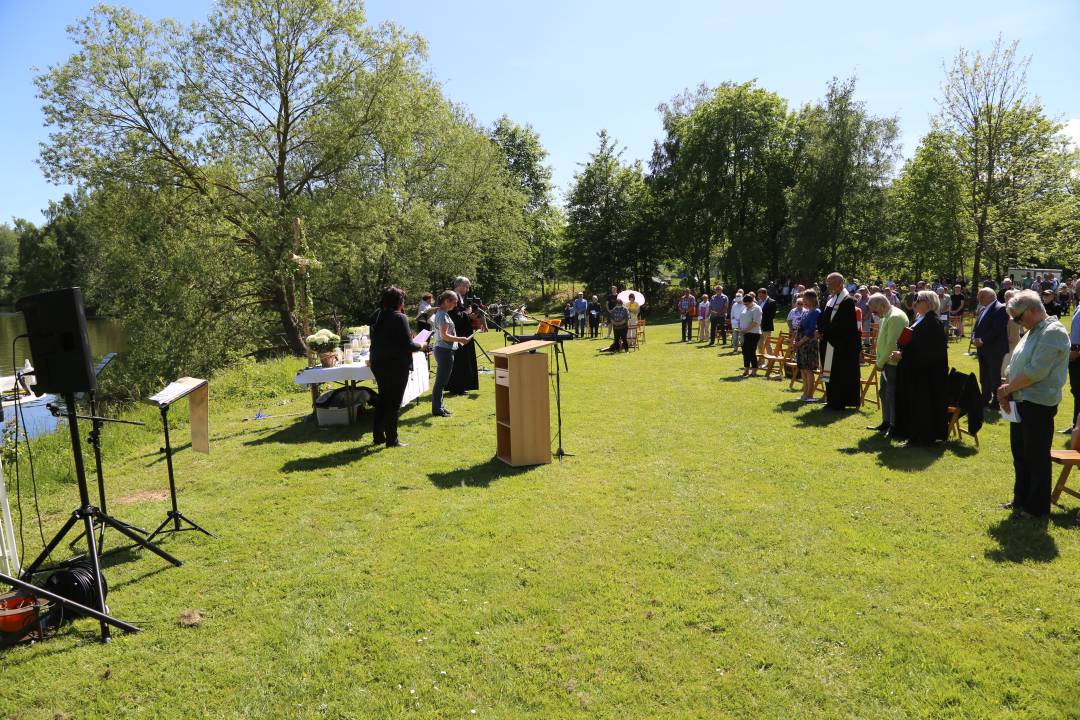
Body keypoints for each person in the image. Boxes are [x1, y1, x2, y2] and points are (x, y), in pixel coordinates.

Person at [998, 289, 1072, 518]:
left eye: (1018, 318)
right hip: (1020, 399)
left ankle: (1037, 508)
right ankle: (1021, 499)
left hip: (1038, 403)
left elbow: (1036, 372)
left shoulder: (1053, 332)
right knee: (1020, 453)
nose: (1016, 322)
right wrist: (1006, 384)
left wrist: (1008, 389)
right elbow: (1017, 362)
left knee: (1036, 456)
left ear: (1031, 311)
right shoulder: (1032, 331)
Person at [890, 290, 950, 446]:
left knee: (922, 405)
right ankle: (911, 433)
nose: (915, 303)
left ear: (929, 303)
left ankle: (921, 436)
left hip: (925, 375)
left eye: (919, 300)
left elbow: (928, 351)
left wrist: (903, 355)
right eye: (915, 300)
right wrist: (902, 351)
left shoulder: (932, 322)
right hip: (914, 371)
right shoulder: (920, 319)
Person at [368, 286, 424, 447]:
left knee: (383, 399)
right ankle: (392, 440)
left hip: (377, 361)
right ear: (400, 301)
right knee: (393, 403)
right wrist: (422, 345)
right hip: (395, 364)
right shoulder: (399, 317)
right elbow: (409, 345)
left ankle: (378, 436)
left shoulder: (376, 315)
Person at [817, 273, 861, 410]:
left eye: (830, 283)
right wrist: (819, 329)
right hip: (828, 342)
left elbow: (841, 324)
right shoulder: (832, 299)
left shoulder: (847, 301)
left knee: (838, 373)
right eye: (827, 283)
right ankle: (831, 399)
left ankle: (839, 401)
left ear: (840, 283)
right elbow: (825, 318)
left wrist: (824, 330)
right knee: (828, 373)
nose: (828, 286)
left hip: (840, 346)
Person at [866, 293, 907, 434]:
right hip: (885, 362)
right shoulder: (886, 316)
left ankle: (894, 426)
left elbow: (891, 344)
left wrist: (880, 362)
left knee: (891, 394)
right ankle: (886, 422)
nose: (874, 314)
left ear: (882, 305)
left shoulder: (895, 317)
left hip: (892, 363)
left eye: (875, 310)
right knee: (884, 393)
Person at [431, 290, 473, 419]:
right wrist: (461, 339)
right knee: (440, 382)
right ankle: (437, 409)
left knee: (442, 381)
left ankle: (440, 407)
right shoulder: (442, 315)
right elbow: (444, 336)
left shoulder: (443, 313)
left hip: (444, 350)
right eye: (454, 302)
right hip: (444, 350)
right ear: (446, 301)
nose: (456, 305)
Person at [972, 287, 1009, 408]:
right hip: (982, 349)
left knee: (994, 376)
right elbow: (977, 327)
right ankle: (985, 398)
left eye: (981, 296)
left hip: (995, 349)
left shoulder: (1000, 308)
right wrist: (974, 338)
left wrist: (982, 340)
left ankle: (996, 401)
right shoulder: (983, 309)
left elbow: (997, 330)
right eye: (979, 296)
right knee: (984, 375)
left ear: (991, 297)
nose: (979, 298)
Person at [447, 276, 479, 395]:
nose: (467, 289)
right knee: (459, 360)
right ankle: (457, 387)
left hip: (464, 332)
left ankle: (462, 385)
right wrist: (467, 313)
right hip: (458, 334)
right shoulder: (452, 297)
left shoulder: (460, 297)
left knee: (464, 360)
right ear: (459, 286)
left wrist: (469, 314)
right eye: (466, 287)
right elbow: (453, 316)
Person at [793, 290, 821, 401]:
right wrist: (797, 341)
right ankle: (804, 394)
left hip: (808, 343)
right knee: (803, 369)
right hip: (801, 343)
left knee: (808, 369)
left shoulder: (816, 312)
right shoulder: (807, 311)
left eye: (805, 299)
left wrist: (801, 342)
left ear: (811, 299)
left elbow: (811, 330)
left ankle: (809, 395)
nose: (803, 301)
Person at [739, 292, 762, 377]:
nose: (746, 305)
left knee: (751, 352)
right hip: (745, 333)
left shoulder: (757, 309)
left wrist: (745, 330)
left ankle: (754, 371)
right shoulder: (745, 308)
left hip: (754, 333)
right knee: (745, 352)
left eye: (747, 304)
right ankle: (746, 370)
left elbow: (755, 323)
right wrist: (742, 329)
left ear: (752, 301)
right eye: (744, 304)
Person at [1067, 278, 1080, 434]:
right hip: (1074, 352)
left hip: (1077, 353)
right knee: (1077, 392)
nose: (1076, 291)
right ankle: (1075, 426)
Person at [757, 287, 776, 354]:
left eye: (761, 296)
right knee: (760, 345)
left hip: (767, 326)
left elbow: (772, 316)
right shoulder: (759, 302)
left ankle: (770, 362)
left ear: (765, 294)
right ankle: (761, 362)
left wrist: (762, 315)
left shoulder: (772, 302)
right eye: (759, 296)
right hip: (758, 326)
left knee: (767, 344)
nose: (760, 297)